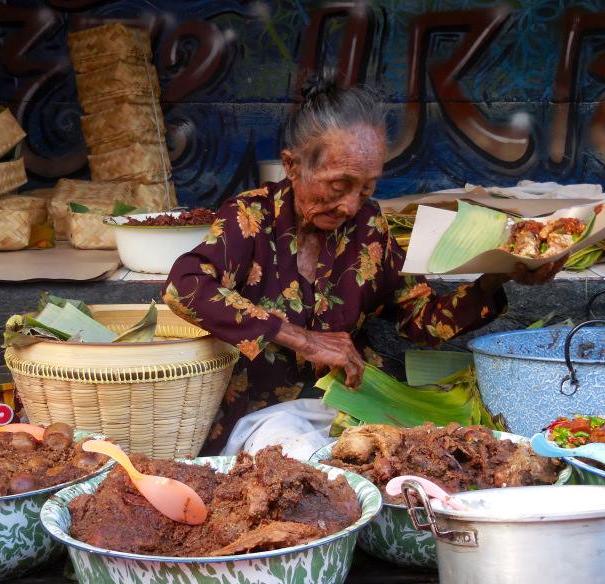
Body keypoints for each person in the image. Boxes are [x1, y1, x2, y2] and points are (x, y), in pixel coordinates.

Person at [163, 77, 565, 454]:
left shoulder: (369, 227)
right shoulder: (249, 217)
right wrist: (300, 337)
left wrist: (498, 275)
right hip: (258, 426)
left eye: (368, 187)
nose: (351, 205)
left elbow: (422, 321)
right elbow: (184, 286)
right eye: (339, 186)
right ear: (292, 165)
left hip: (345, 418)